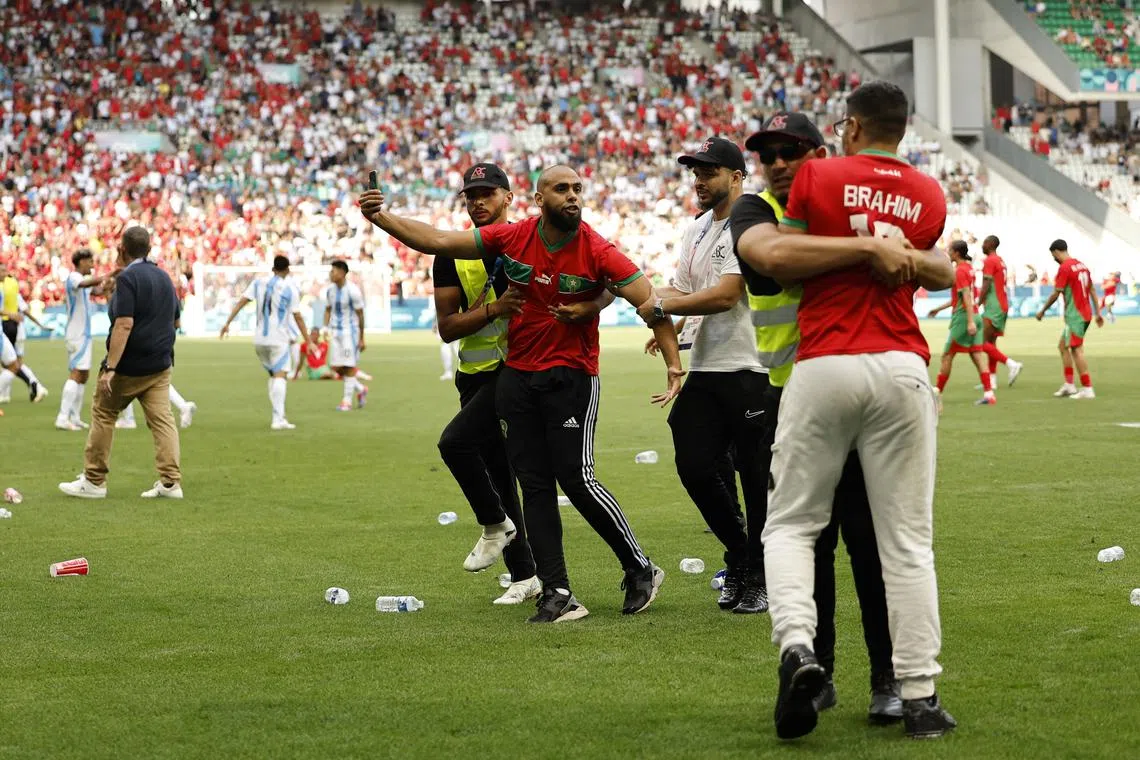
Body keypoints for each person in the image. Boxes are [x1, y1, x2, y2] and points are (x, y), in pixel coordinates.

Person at [359, 164, 684, 624]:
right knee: (534, 486)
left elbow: (647, 301)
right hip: (517, 376)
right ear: (537, 198)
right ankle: (558, 592)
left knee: (578, 479)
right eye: (561, 189)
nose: (572, 196)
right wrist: (382, 219)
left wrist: (672, 362)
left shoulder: (598, 249)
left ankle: (640, 568)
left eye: (577, 189)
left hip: (571, 376)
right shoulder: (512, 238)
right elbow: (437, 241)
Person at [737, 83, 957, 739]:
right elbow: (937, 266)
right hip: (902, 364)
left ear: (851, 127)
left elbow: (788, 265)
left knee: (791, 527)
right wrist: (887, 251)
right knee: (908, 543)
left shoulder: (820, 178)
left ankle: (799, 646)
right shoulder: (929, 193)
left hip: (826, 361)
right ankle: (919, 697)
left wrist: (856, 248)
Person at [732, 111, 900, 725]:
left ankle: (885, 677)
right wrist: (863, 251)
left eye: (791, 151)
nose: (777, 163)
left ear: (822, 152)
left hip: (858, 392)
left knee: (866, 543)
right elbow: (774, 263)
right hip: (789, 398)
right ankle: (817, 672)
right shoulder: (754, 212)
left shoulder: (843, 211)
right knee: (813, 543)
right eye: (767, 153)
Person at [636, 137, 769, 614]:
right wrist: (651, 302)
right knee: (694, 464)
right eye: (696, 172)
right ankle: (740, 552)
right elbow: (687, 288)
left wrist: (663, 305)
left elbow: (726, 295)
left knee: (755, 477)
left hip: (752, 368)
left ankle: (759, 574)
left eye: (709, 172)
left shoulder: (748, 225)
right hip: (709, 366)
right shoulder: (696, 230)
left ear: (736, 177)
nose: (699, 180)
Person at [435, 162, 576, 605]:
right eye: (471, 195)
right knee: (501, 472)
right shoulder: (451, 253)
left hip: (518, 371)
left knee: (466, 448)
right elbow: (447, 327)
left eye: (488, 193)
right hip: (474, 376)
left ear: (508, 197)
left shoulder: (529, 242)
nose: (478, 201)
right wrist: (495, 311)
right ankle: (526, 575)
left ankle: (507, 539)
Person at [59, 226, 184, 500]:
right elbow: (176, 321)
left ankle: (94, 481)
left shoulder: (128, 278)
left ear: (122, 249)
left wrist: (111, 368)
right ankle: (171, 483)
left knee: (104, 414)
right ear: (148, 249)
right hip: (160, 364)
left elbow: (124, 324)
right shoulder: (165, 277)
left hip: (129, 365)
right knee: (163, 421)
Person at [219, 254, 312, 429]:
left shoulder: (258, 283)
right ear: (288, 270)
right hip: (279, 337)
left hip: (259, 338)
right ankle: (278, 419)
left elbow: (241, 302)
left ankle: (279, 415)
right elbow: (298, 317)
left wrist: (227, 323)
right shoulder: (289, 288)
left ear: (272, 268)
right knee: (281, 376)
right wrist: (308, 340)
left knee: (273, 375)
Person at [927, 241, 998, 407]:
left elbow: (965, 295)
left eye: (949, 250)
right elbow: (959, 297)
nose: (947, 253)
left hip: (964, 317)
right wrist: (938, 309)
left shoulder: (959, 271)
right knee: (977, 355)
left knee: (947, 355)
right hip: (974, 314)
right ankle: (989, 394)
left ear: (956, 253)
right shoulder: (968, 269)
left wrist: (970, 322)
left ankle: (937, 391)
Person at [1036, 239, 1103, 399]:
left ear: (1057, 252)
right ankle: (1069, 385)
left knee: (1076, 350)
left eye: (1053, 255)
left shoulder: (1065, 268)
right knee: (1063, 346)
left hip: (1076, 315)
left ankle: (1087, 389)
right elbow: (1092, 289)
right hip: (1084, 313)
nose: (1054, 259)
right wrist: (1098, 312)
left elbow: (1055, 293)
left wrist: (1042, 311)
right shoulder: (1082, 266)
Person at [55, 249, 107, 430]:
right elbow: (87, 284)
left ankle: (74, 416)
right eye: (89, 260)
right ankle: (62, 417)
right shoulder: (74, 278)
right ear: (81, 262)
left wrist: (114, 283)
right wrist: (111, 274)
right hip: (76, 334)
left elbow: (98, 290)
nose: (92, 263)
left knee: (83, 375)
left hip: (83, 334)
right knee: (77, 373)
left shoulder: (83, 281)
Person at [976, 236, 1023, 387]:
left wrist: (979, 302)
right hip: (1002, 304)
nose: (982, 245)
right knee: (991, 343)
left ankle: (1011, 364)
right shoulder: (1000, 260)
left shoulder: (990, 261)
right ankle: (992, 381)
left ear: (990, 244)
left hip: (994, 306)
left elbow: (986, 283)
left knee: (981, 342)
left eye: (984, 243)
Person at [0, 263, 49, 403]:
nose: (5, 273)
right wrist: (12, 314)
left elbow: (23, 308)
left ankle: (33, 385)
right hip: (7, 326)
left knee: (13, 365)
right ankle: (34, 385)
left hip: (5, 330)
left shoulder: (8, 286)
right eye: (2, 270)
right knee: (13, 364)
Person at [323, 260, 368, 411]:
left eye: (333, 271)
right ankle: (360, 389)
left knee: (349, 366)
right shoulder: (330, 290)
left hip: (350, 333)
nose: (331, 274)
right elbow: (328, 309)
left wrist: (361, 337)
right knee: (336, 367)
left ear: (342, 273)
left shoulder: (353, 291)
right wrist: (325, 327)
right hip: (335, 332)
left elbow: (360, 315)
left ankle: (346, 401)